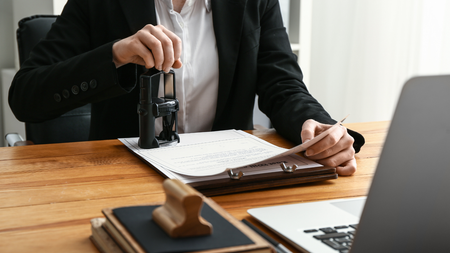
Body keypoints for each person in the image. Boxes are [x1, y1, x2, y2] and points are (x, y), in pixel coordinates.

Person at [9, 0, 364, 175]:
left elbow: (282, 82)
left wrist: (315, 126)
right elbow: (25, 96)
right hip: (124, 180)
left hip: (227, 178)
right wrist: (114, 55)